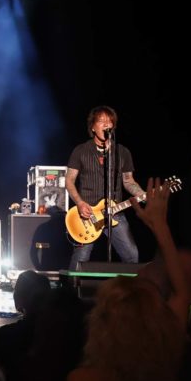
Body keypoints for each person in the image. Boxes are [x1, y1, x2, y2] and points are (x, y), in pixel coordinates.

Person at [66, 106, 143, 268]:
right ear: (93, 127)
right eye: (101, 121)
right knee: (81, 258)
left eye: (110, 121)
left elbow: (128, 181)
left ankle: (127, 292)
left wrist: (143, 194)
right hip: (87, 214)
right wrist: (80, 203)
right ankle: (71, 291)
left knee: (132, 255)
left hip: (115, 212)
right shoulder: (80, 151)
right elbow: (69, 181)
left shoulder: (122, 152)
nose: (106, 124)